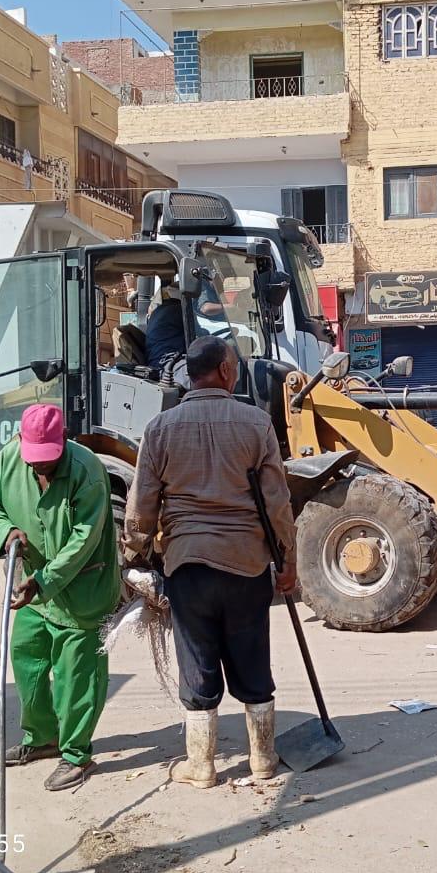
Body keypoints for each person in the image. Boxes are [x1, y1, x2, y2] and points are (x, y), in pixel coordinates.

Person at [125, 336, 297, 789]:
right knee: (252, 657)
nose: (236, 372)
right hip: (246, 565)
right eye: (235, 366)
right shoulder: (256, 423)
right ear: (224, 371)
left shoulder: (160, 428)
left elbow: (142, 506)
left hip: (188, 567)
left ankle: (201, 766)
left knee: (197, 660)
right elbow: (277, 503)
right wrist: (288, 560)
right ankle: (263, 758)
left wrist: (134, 554)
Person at [0, 403, 121, 790]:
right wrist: (5, 531)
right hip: (34, 589)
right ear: (20, 442)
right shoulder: (8, 460)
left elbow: (83, 540)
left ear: (64, 441)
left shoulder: (87, 471)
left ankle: (76, 754)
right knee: (27, 658)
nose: (41, 466)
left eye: (49, 458)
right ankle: (42, 738)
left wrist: (44, 581)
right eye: (34, 458)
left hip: (83, 589)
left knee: (77, 676)